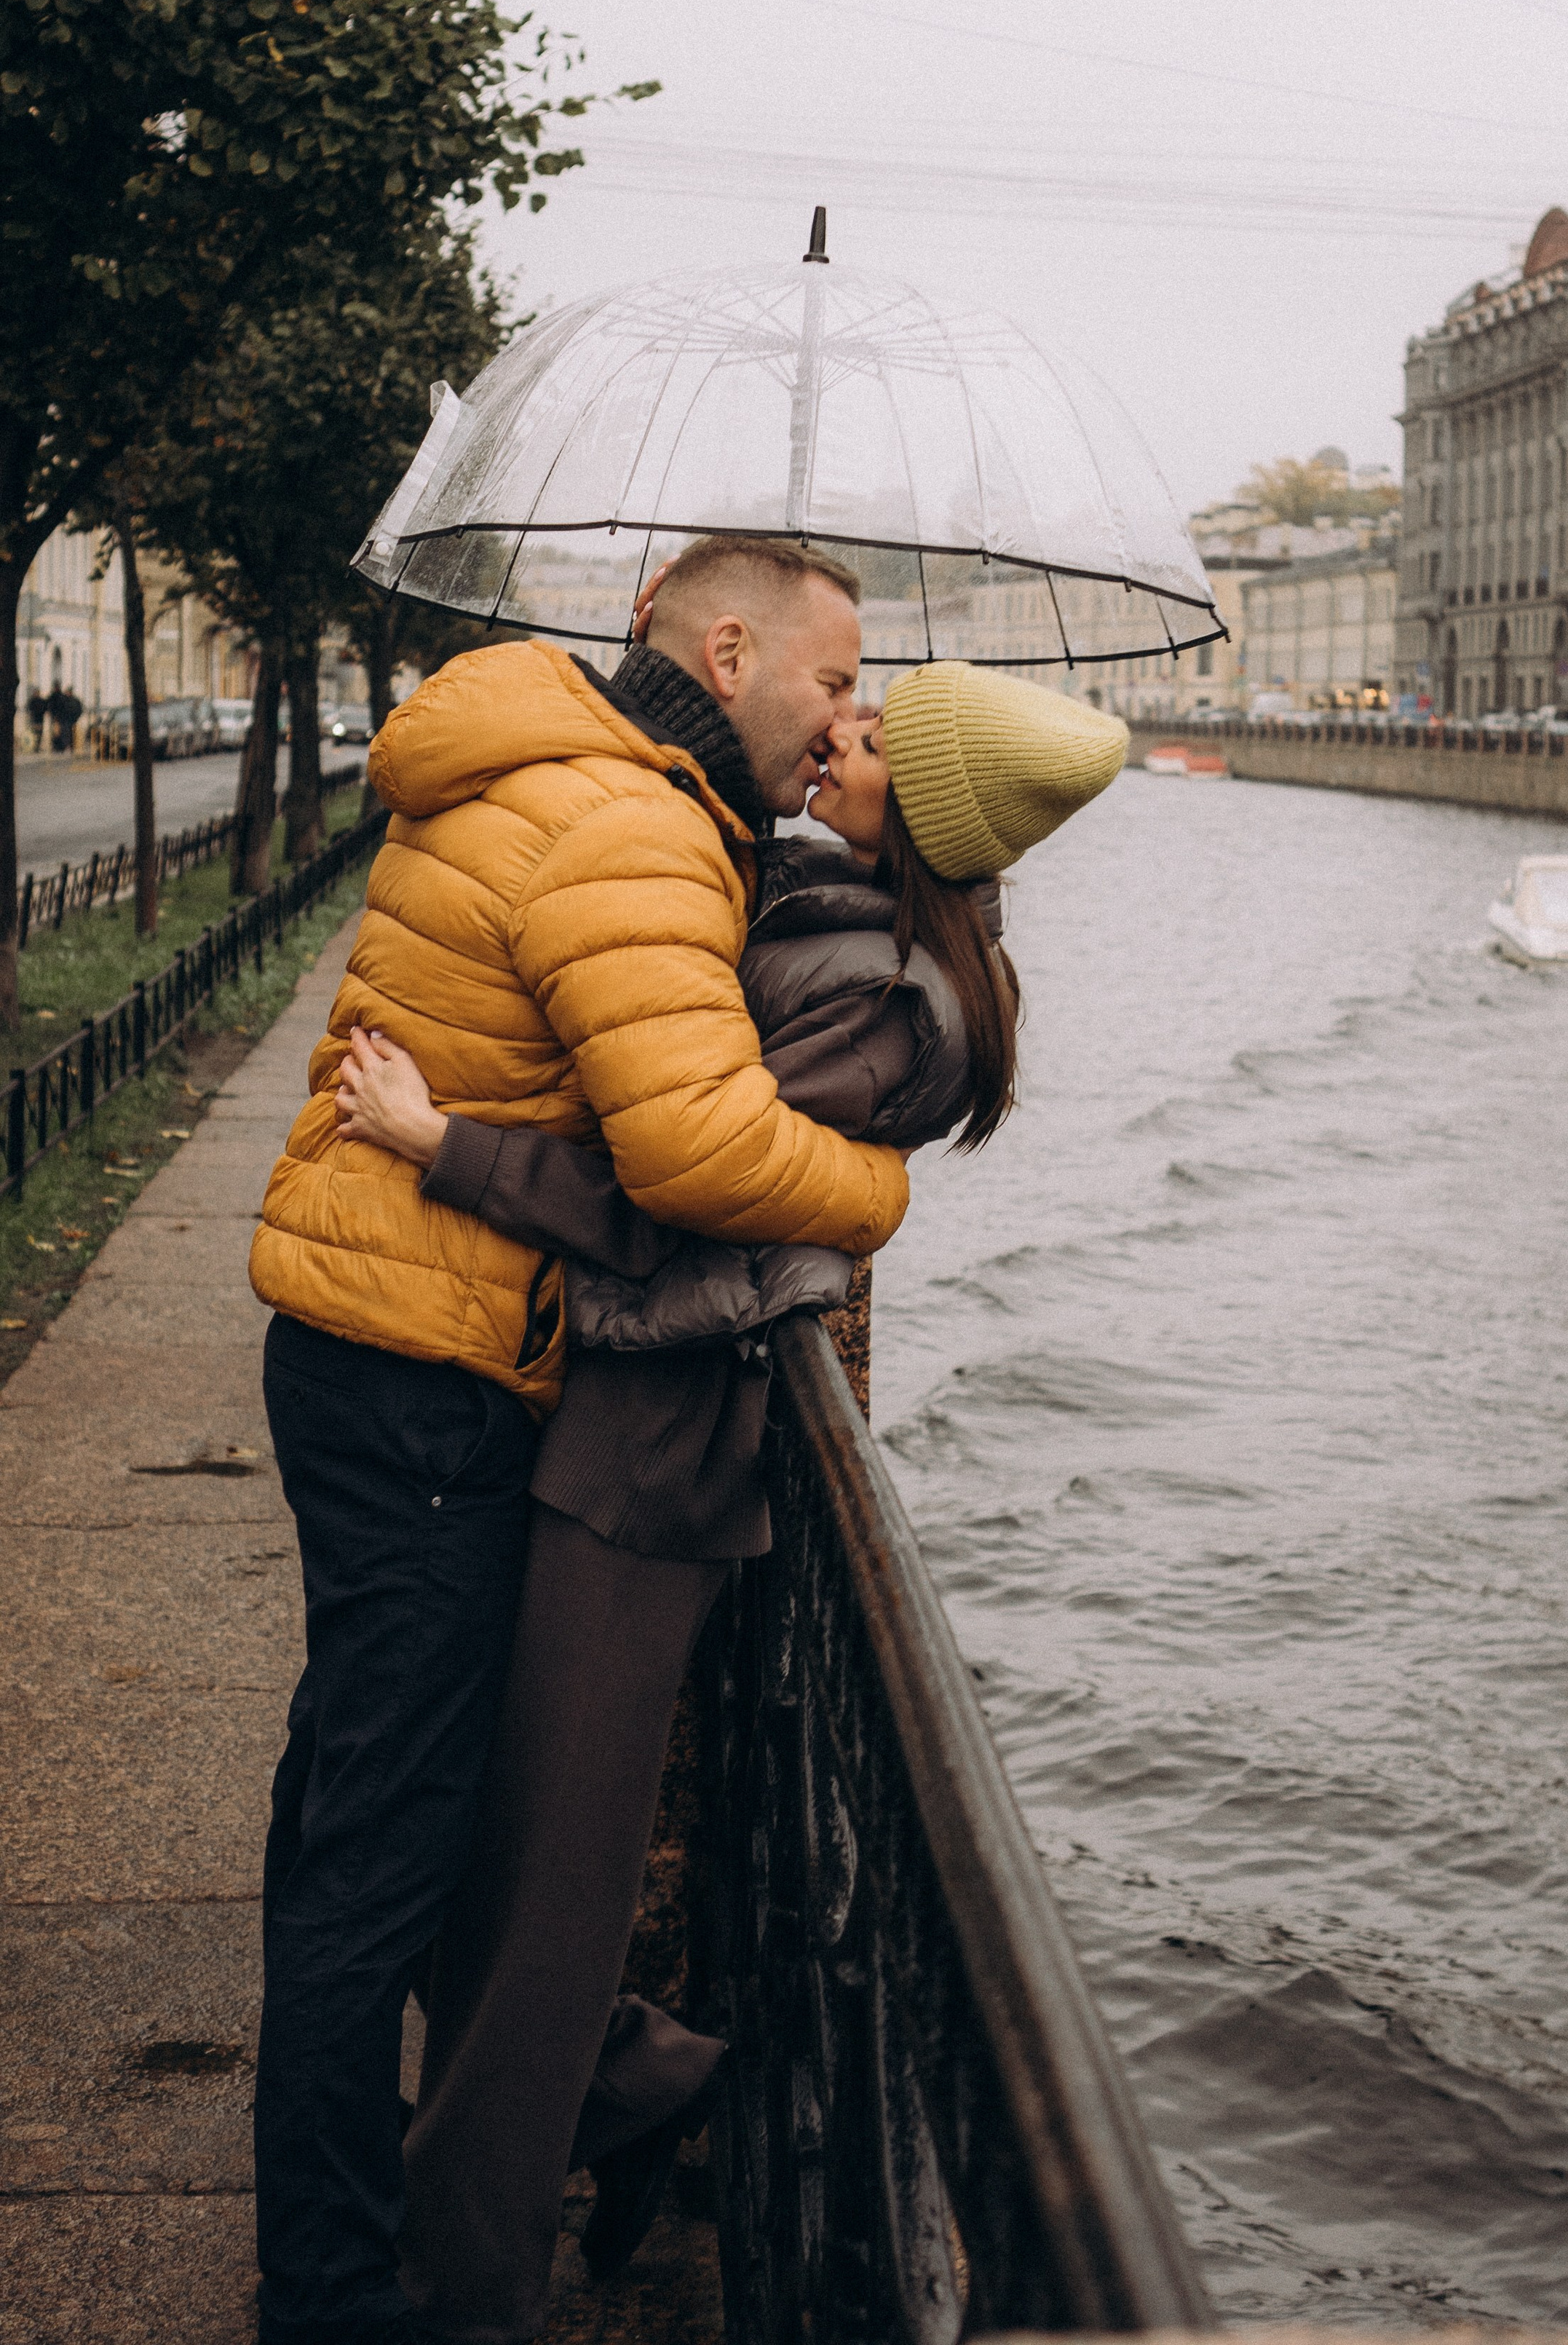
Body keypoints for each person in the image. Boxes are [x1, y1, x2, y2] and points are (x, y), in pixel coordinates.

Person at [329, 660, 1130, 2344]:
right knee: (476, 1833)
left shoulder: (897, 998)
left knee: (541, 1891)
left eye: (874, 735)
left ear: (927, 809)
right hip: (597, 1402)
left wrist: (439, 1141)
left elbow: (673, 1202)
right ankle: (629, 2078)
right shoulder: (818, 909)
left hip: (657, 1444)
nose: (837, 731)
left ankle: (469, 2285)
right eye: (850, 704)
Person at [245, 536, 918, 2345]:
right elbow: (696, 1151)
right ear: (729, 652)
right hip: (431, 1358)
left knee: (350, 1802)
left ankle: (509, 2121)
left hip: (363, 1327)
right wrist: (873, 1194)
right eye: (833, 680)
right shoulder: (631, 824)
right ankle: (328, 2290)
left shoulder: (547, 751)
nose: (845, 718)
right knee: (379, 1847)